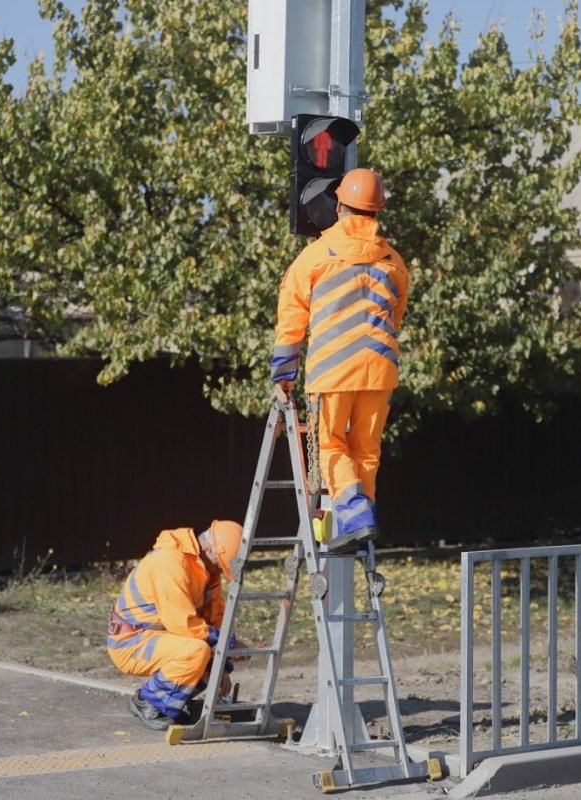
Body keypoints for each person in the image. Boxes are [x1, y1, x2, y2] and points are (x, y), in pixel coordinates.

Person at [270, 167, 410, 554]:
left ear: (340, 207)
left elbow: (292, 316)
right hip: (380, 370)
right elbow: (395, 315)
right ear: (377, 211)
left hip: (332, 372)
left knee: (330, 447)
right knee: (366, 451)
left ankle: (354, 515)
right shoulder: (393, 260)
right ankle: (358, 525)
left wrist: (284, 373)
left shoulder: (315, 255)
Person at [107, 520, 243, 730]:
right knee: (196, 651)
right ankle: (148, 701)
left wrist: (222, 664)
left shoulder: (206, 570)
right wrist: (226, 645)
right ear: (209, 549)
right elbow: (183, 623)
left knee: (207, 653)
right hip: (131, 642)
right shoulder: (170, 562)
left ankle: (173, 702)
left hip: (156, 636)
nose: (219, 573)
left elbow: (215, 618)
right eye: (219, 566)